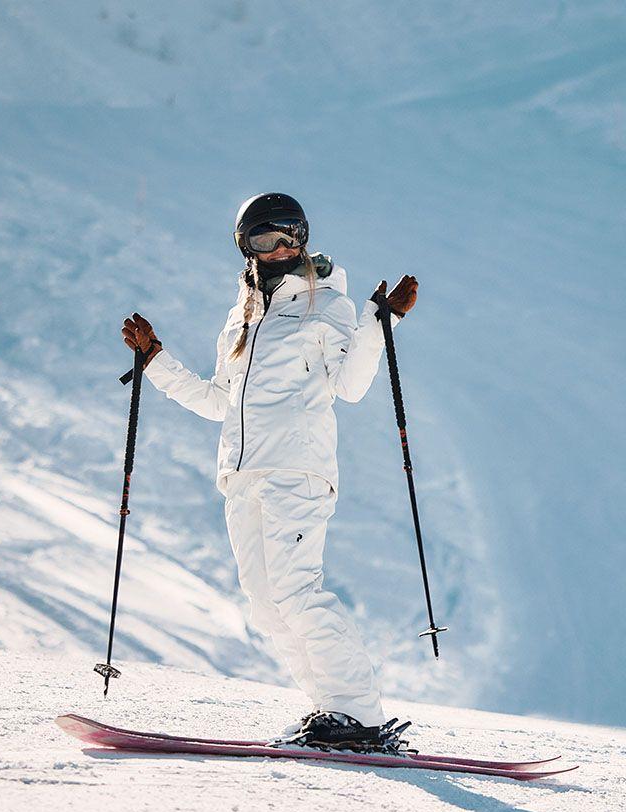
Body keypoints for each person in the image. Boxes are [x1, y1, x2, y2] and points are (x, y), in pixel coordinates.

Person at [122, 193, 417, 753]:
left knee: (297, 592)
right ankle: (328, 711)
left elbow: (349, 386)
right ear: (246, 246)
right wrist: (156, 362)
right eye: (267, 240)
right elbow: (218, 401)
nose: (283, 249)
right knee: (264, 602)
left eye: (293, 238)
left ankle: (361, 716)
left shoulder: (327, 305)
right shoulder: (243, 317)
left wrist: (383, 322)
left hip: (297, 470)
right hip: (242, 476)